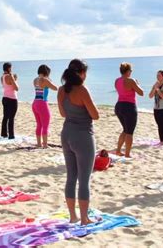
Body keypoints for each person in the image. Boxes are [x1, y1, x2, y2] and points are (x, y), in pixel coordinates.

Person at [58, 59, 99, 225]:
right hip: (83, 136)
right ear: (81, 73)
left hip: (66, 134)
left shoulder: (61, 90)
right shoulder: (82, 90)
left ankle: (72, 216)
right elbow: (95, 115)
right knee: (84, 179)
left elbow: (62, 113)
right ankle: (84, 218)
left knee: (71, 177)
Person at [114, 62, 143, 157]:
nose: (131, 72)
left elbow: (121, 91)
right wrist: (137, 84)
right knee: (129, 132)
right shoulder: (131, 80)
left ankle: (118, 150)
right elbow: (141, 93)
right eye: (130, 70)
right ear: (127, 71)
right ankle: (127, 154)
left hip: (119, 106)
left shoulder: (117, 80)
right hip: (129, 107)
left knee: (125, 130)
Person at [32, 64, 58, 148]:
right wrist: (49, 81)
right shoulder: (46, 80)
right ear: (46, 72)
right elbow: (55, 88)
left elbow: (40, 87)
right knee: (45, 125)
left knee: (39, 124)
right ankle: (45, 145)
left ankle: (39, 144)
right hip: (42, 103)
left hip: (35, 103)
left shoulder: (35, 80)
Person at [149, 70, 163, 144]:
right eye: (157, 75)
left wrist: (157, 89)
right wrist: (154, 88)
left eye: (159, 76)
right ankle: (161, 141)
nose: (157, 77)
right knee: (159, 125)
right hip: (156, 108)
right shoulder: (155, 85)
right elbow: (150, 96)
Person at [1, 62, 19, 139]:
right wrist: (15, 79)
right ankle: (11, 135)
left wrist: (13, 79)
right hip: (12, 98)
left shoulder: (2, 77)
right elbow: (16, 88)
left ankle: (4, 134)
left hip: (5, 97)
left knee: (5, 117)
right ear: (9, 68)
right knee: (11, 117)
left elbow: (6, 86)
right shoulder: (9, 76)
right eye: (11, 68)